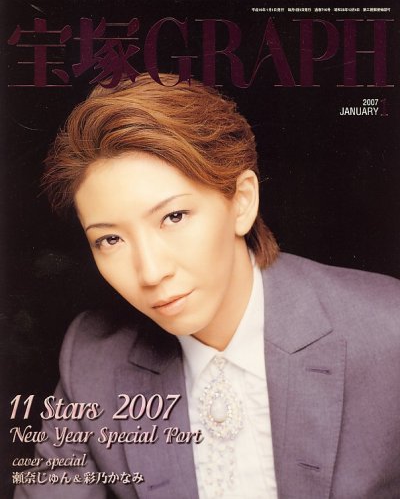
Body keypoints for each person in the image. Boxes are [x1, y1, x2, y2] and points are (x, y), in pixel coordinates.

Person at [15, 74, 400, 499]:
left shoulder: (388, 332)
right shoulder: (92, 358)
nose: (151, 272)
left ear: (242, 200)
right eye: (110, 239)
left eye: (174, 217)